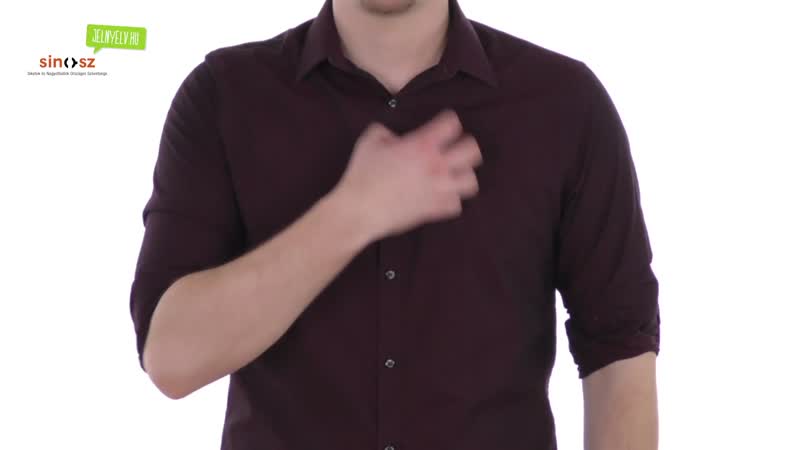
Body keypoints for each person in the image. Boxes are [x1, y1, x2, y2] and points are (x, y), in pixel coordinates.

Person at [129, 0, 661, 449]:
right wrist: (355, 212)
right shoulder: (223, 96)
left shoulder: (565, 104)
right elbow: (172, 359)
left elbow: (619, 352)